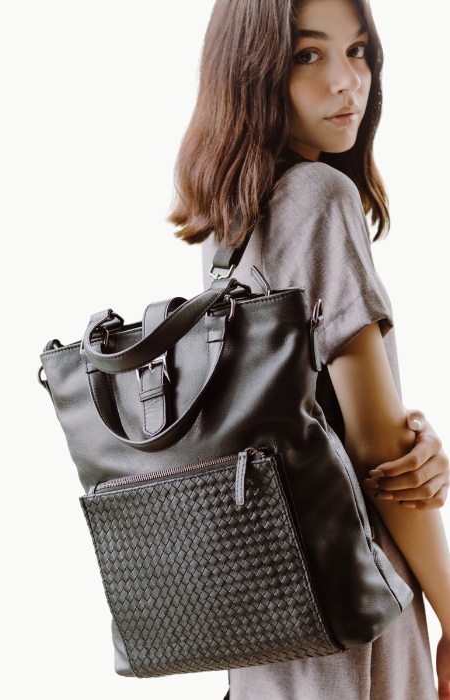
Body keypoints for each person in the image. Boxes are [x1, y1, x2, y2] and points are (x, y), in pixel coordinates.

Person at [167, 0, 450, 698]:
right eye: (307, 55)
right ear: (252, 70)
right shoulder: (320, 196)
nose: (347, 80)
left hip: (271, 624)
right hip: (359, 608)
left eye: (358, 51)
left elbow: (304, 425)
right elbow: (379, 454)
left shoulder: (227, 227)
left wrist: (409, 434)